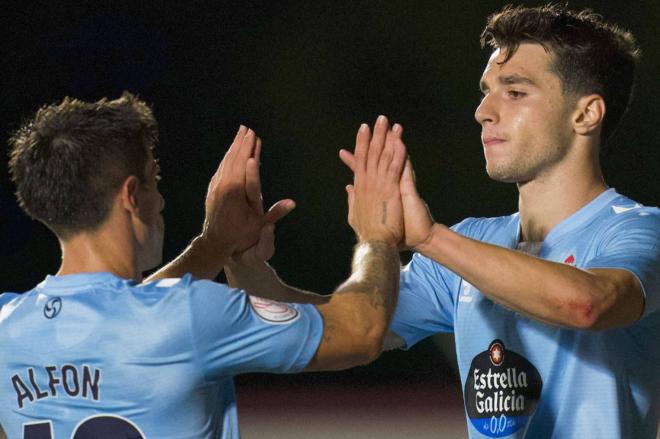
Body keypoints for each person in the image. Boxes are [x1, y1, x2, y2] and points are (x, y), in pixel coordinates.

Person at [227, 4, 660, 438]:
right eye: (485, 92)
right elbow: (335, 331)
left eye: (514, 92)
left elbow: (588, 304)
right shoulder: (472, 243)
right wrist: (247, 268)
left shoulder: (638, 229)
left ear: (585, 114)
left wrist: (430, 239)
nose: (484, 111)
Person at [0, 93, 408, 438]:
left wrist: (214, 244)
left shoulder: (7, 327)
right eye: (152, 180)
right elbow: (360, 331)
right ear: (130, 195)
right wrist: (378, 234)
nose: (159, 200)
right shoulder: (189, 314)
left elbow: (122, 323)